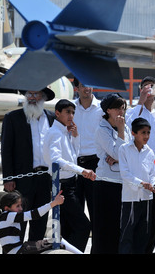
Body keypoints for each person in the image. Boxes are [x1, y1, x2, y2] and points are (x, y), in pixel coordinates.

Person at [1, 87, 56, 242]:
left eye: (36, 94)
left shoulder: (52, 118)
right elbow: (6, 150)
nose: (32, 97)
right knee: (18, 222)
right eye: (29, 94)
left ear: (43, 97)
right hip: (22, 178)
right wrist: (8, 178)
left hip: (45, 178)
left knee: (40, 222)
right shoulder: (13, 117)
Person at [126, 76, 155, 253]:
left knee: (154, 214)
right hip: (137, 166)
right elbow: (128, 124)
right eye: (145, 87)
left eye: (152, 87)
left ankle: (148, 249)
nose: (149, 90)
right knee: (136, 211)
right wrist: (140, 102)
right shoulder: (135, 111)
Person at [43, 99, 96, 252]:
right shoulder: (55, 133)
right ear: (57, 113)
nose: (71, 116)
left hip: (70, 183)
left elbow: (73, 155)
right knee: (83, 226)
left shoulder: (64, 132)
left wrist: (76, 136)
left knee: (68, 227)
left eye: (73, 112)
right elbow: (56, 160)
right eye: (67, 112)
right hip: (62, 186)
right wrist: (82, 170)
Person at [92, 93, 131, 254]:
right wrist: (119, 155)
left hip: (122, 182)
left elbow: (131, 152)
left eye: (123, 108)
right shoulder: (102, 130)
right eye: (117, 108)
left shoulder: (126, 127)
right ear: (108, 110)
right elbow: (117, 153)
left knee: (118, 227)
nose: (121, 112)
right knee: (104, 227)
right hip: (106, 182)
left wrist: (119, 157)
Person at [118, 118, 155, 254]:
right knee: (127, 235)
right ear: (133, 133)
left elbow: (154, 173)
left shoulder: (149, 151)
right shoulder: (124, 149)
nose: (146, 136)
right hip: (130, 199)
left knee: (143, 236)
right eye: (143, 133)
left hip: (147, 199)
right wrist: (142, 184)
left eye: (148, 132)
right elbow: (125, 174)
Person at [0, 190, 67, 254]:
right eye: (17, 206)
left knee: (54, 241)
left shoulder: (5, 216)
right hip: (19, 251)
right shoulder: (10, 216)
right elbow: (35, 214)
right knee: (56, 243)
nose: (21, 208)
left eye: (21, 205)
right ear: (7, 208)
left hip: (18, 249)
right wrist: (54, 203)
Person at [72, 78, 103, 225]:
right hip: (74, 163)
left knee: (96, 209)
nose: (87, 89)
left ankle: (97, 247)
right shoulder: (70, 108)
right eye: (83, 85)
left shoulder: (102, 109)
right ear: (76, 88)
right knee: (75, 211)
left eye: (90, 84)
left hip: (95, 163)